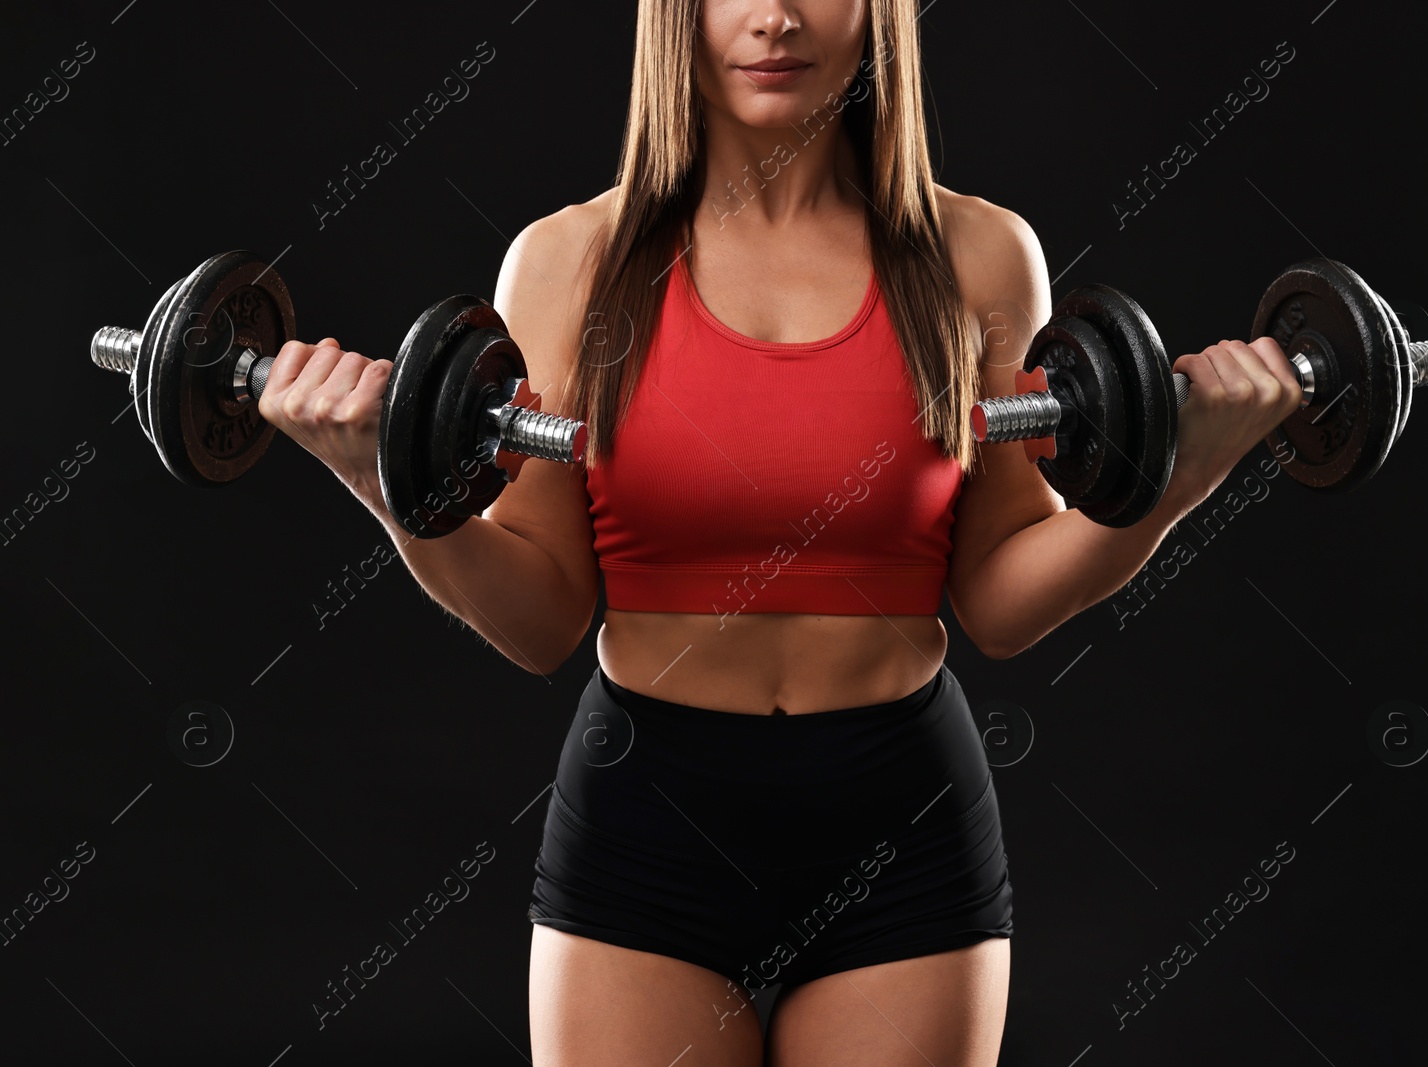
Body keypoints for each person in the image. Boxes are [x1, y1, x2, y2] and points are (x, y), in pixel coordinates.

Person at [256, 2, 1303, 1063]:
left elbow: (999, 597)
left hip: (898, 816)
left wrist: (1179, 472)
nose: (776, 19)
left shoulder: (978, 254)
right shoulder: (569, 262)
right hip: (646, 813)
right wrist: (379, 478)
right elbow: (540, 619)